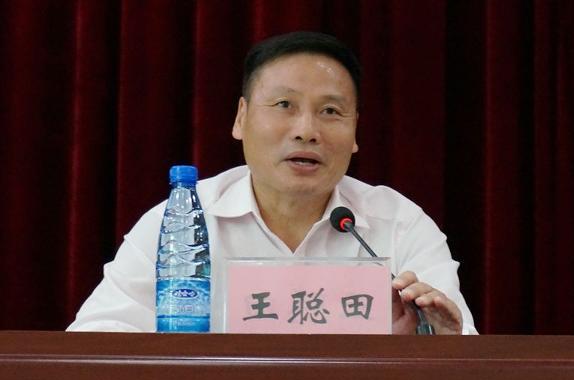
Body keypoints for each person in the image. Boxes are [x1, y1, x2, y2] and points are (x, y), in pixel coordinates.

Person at [68, 31, 477, 335]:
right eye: (284, 105)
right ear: (241, 118)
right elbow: (95, 342)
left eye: (330, 111)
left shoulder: (398, 224)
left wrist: (440, 343)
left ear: (355, 131)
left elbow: (462, 364)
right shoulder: (183, 223)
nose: (306, 131)